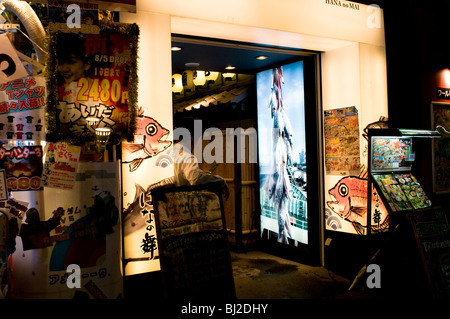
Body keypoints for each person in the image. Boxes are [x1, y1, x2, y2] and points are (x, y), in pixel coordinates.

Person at [147, 117, 229, 200]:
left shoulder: (165, 153)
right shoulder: (187, 157)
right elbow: (195, 178)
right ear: (193, 139)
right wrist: (220, 181)